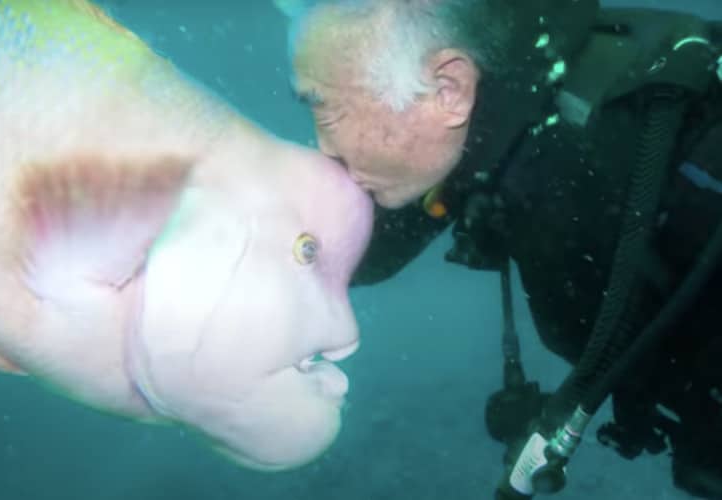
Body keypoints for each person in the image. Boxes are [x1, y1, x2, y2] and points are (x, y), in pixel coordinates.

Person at [276, 0, 722, 498]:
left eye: (327, 109)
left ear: (450, 89)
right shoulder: (496, 126)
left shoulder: (635, 144)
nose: (323, 148)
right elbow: (363, 247)